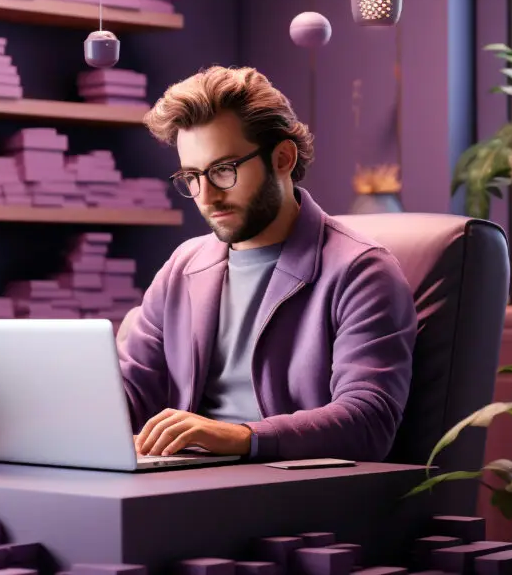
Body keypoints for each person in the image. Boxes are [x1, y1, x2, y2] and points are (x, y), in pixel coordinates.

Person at [118, 65, 418, 463]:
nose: (206, 196)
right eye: (192, 176)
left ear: (282, 158)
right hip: (186, 481)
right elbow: (130, 394)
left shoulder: (362, 272)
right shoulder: (182, 267)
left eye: (224, 170)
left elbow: (368, 422)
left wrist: (241, 436)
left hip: (293, 489)